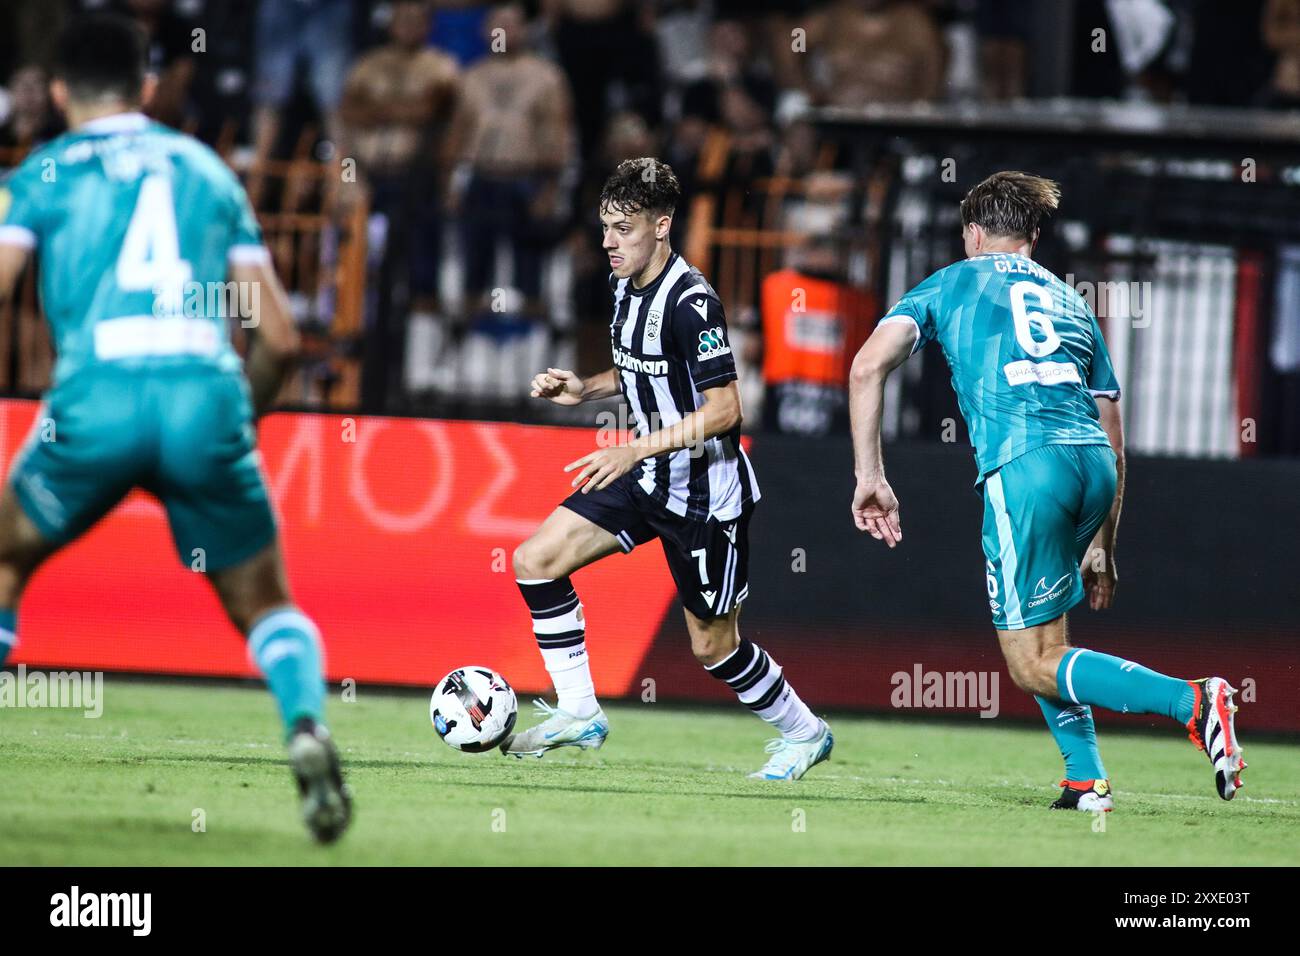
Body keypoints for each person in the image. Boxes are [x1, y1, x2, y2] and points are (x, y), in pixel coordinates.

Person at [0, 14, 351, 843]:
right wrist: (243, 419)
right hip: (205, 395)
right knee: (264, 602)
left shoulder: (42, 172)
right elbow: (280, 341)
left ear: (57, 92)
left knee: (6, 558)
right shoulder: (207, 170)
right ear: (149, 86)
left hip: (97, 395)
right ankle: (306, 723)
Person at [846, 171, 1245, 810]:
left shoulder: (952, 281)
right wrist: (1105, 544)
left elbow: (866, 366)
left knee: (1028, 660)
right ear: (1033, 233)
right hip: (1092, 466)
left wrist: (871, 477)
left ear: (972, 234)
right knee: (1047, 640)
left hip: (1026, 467)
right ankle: (1085, 779)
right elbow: (1113, 426)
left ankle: (1192, 700)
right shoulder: (1072, 301)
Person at [504, 157, 833, 780]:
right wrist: (584, 388)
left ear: (662, 225)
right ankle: (579, 711)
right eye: (604, 227)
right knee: (534, 560)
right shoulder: (624, 285)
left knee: (713, 647)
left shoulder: (692, 302)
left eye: (623, 228)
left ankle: (804, 731)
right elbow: (639, 371)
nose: (608, 242)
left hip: (705, 499)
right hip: (649, 477)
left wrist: (632, 448)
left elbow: (726, 409)